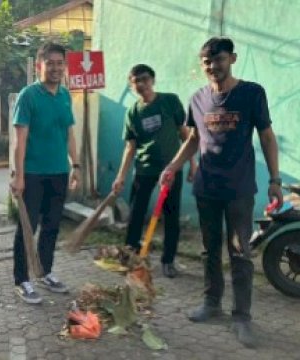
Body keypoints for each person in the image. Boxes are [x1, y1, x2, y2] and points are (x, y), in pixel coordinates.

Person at [160, 37, 282, 348]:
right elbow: (193, 139)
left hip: (239, 189)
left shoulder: (252, 93)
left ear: (232, 59)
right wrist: (173, 166)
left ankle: (241, 317)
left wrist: (275, 179)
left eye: (220, 60)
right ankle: (211, 303)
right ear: (202, 65)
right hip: (207, 188)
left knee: (240, 252)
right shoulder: (197, 98)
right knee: (209, 249)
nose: (213, 66)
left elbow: (267, 137)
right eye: (207, 62)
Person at [10, 42, 80, 304]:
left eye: (59, 63)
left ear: (64, 66)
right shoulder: (28, 95)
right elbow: (21, 139)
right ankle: (22, 279)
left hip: (59, 172)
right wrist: (19, 176)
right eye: (50, 63)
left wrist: (77, 165)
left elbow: (69, 133)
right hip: (33, 173)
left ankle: (45, 271)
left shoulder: (64, 96)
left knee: (51, 226)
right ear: (40, 65)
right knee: (27, 228)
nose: (55, 68)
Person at [112, 64, 196, 278]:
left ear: (153, 80)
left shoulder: (169, 101)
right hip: (144, 171)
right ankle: (130, 256)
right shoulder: (132, 112)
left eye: (145, 79)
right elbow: (130, 147)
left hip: (171, 170)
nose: (141, 84)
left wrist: (193, 164)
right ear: (131, 85)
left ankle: (168, 261)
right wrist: (120, 176)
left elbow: (185, 134)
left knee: (171, 216)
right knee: (136, 215)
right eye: (135, 81)